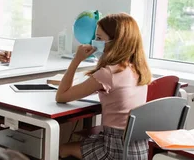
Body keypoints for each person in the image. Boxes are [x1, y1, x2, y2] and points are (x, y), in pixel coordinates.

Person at [55, 13, 152, 159]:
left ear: (116, 42)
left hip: (115, 152)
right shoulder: (138, 69)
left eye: (99, 38)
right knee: (84, 141)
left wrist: (76, 60)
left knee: (63, 149)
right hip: (138, 151)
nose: (94, 42)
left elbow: (61, 96)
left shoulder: (108, 74)